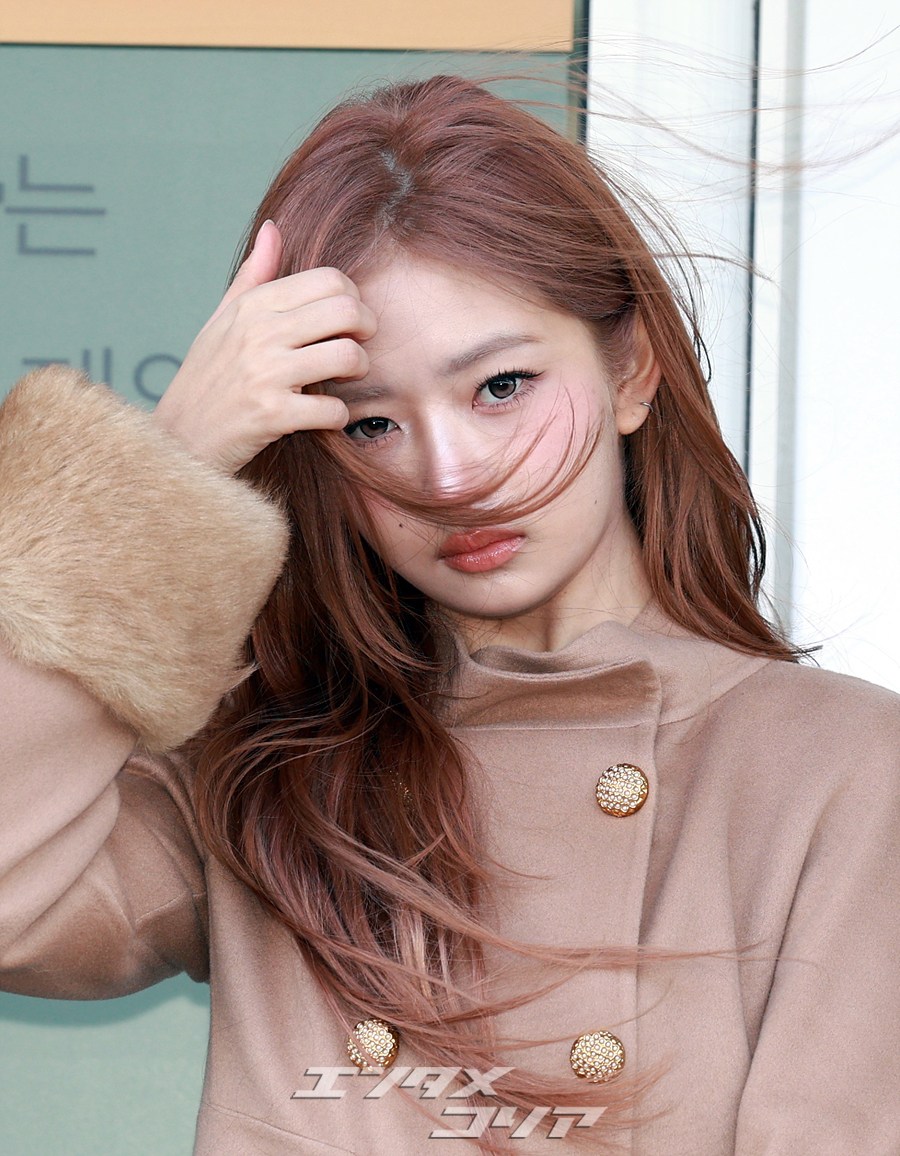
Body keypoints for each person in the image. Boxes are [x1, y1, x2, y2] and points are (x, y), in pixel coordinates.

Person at [0, 74, 898, 1155]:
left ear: (631, 370)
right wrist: (171, 466)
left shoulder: (839, 771)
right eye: (370, 423)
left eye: (502, 387)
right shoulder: (267, 774)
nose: (450, 473)